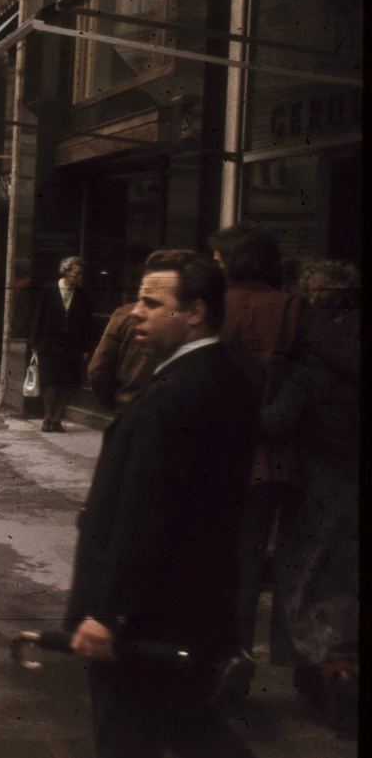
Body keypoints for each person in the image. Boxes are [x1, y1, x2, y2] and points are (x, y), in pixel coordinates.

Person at [66, 249, 259, 758]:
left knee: (131, 736)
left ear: (194, 312)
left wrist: (108, 614)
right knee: (190, 729)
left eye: (152, 303)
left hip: (148, 619)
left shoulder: (177, 393)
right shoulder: (220, 376)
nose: (135, 312)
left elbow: (147, 512)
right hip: (187, 609)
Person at [208, 224, 308, 694]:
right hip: (266, 458)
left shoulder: (210, 305)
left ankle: (199, 668)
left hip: (208, 450)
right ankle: (235, 672)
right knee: (247, 568)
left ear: (231, 261)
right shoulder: (291, 309)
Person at [263, 260, 359, 735]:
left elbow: (276, 421)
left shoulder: (310, 367)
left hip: (316, 488)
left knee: (309, 582)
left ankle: (333, 675)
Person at [27, 256, 95, 432]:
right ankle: (47, 417)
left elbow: (87, 323)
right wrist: (34, 341)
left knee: (65, 383)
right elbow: (38, 316)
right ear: (65, 271)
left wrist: (87, 348)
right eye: (76, 273)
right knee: (49, 382)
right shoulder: (49, 291)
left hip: (72, 345)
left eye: (80, 275)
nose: (79, 278)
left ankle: (57, 419)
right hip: (49, 343)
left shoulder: (82, 295)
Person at [87, 301, 171, 411]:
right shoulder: (187, 318)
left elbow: (97, 370)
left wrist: (111, 402)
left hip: (129, 402)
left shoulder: (125, 314)